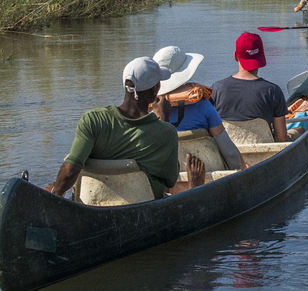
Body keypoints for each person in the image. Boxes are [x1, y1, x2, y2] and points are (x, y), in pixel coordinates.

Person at [45, 57, 207, 200]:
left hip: (95, 206)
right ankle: (194, 187)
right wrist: (163, 118)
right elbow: (171, 181)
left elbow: (70, 170)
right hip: (143, 207)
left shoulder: (93, 120)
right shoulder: (166, 133)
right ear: (155, 90)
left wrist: (55, 196)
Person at [210, 32, 290, 142]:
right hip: (265, 153)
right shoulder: (273, 91)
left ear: (235, 56)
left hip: (229, 154)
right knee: (299, 130)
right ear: (262, 56)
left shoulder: (216, 89)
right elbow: (281, 138)